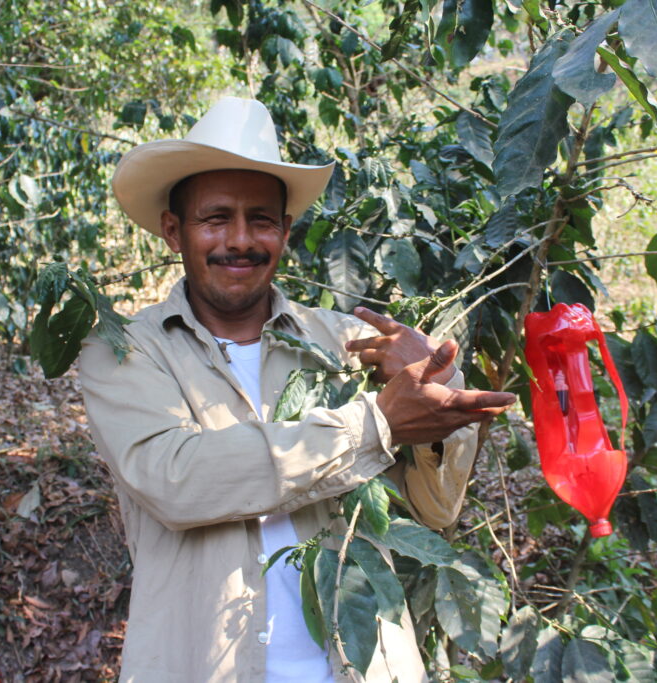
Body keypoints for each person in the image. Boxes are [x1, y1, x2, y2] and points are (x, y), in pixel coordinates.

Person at [79, 97, 516, 682]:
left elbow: (435, 509)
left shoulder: (345, 343)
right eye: (215, 218)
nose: (240, 240)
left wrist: (438, 385)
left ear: (285, 231)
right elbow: (177, 479)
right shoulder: (125, 352)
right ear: (172, 230)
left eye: (261, 219)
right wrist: (376, 424)